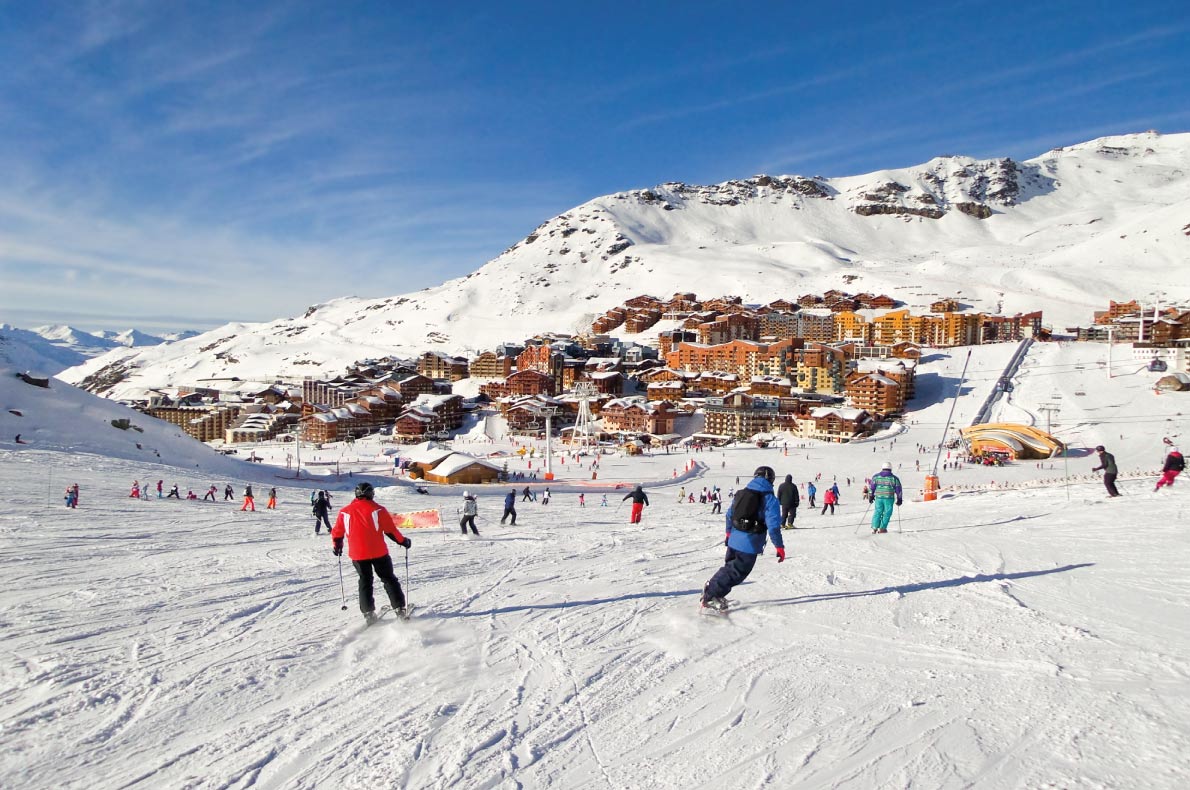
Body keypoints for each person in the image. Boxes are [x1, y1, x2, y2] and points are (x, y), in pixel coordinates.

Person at [700, 466, 785, 613]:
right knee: (736, 572)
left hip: (734, 538)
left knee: (729, 568)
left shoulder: (742, 493)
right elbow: (773, 527)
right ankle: (710, 595)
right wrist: (779, 546)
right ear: (771, 479)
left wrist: (728, 534)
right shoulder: (770, 499)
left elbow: (729, 515)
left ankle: (714, 590)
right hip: (749, 543)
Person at [331, 481, 411, 624]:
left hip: (357, 554)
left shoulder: (344, 511)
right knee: (388, 579)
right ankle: (399, 609)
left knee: (365, 581)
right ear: (370, 494)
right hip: (378, 552)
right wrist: (403, 541)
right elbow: (390, 531)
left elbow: (337, 532)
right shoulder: (378, 510)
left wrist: (337, 546)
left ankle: (368, 613)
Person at [868, 461, 903, 533]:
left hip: (879, 497)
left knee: (878, 511)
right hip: (889, 498)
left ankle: (874, 527)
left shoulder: (876, 477)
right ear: (890, 468)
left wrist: (871, 496)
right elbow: (898, 489)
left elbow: (872, 487)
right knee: (887, 512)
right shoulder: (894, 478)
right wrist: (899, 499)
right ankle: (882, 528)